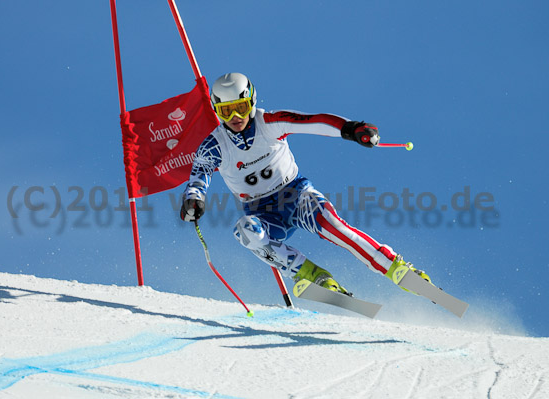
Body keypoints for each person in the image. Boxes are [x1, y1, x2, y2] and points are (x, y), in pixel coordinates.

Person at [180, 72, 430, 296]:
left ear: (252, 102)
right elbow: (199, 173)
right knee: (245, 231)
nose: (236, 117)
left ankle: (394, 267)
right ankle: (310, 274)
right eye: (226, 111)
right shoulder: (215, 144)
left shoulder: (269, 122)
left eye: (241, 107)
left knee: (333, 226)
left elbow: (312, 121)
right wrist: (194, 198)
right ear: (216, 110)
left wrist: (350, 128)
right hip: (261, 212)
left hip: (295, 196)